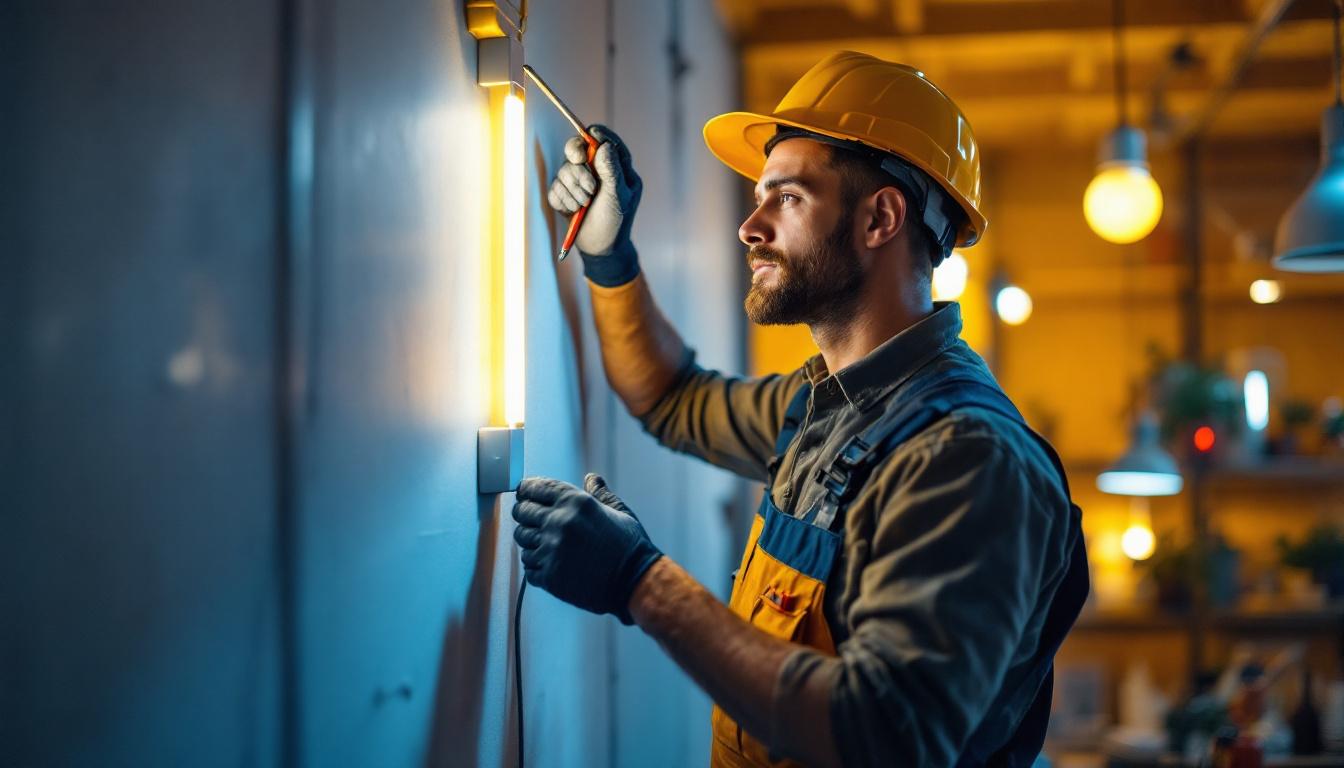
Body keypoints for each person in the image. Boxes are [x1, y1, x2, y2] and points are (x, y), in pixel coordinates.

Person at [510, 50, 1089, 768]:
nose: (749, 227)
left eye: (786, 198)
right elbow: (671, 398)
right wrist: (609, 253)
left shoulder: (965, 459)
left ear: (880, 218)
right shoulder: (824, 408)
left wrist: (640, 582)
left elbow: (883, 735)